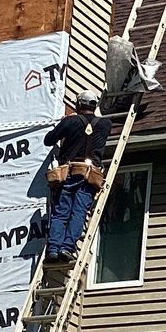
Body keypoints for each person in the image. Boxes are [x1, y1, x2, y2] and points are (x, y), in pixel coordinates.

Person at [42, 90, 112, 264]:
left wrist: (65, 123)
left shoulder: (70, 121)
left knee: (60, 213)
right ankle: (67, 248)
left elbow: (48, 140)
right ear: (94, 106)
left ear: (79, 104)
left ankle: (53, 249)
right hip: (90, 174)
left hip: (69, 172)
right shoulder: (105, 124)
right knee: (79, 212)